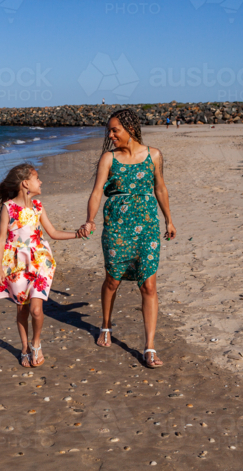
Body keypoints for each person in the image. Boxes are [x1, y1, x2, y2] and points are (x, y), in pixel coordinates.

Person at [78, 109, 177, 369]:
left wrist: (169, 219)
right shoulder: (109, 158)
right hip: (117, 226)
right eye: (109, 131)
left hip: (147, 226)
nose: (110, 136)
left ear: (130, 129)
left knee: (149, 285)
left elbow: (160, 188)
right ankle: (106, 325)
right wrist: (90, 219)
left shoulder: (154, 155)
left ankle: (149, 347)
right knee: (113, 280)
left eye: (115, 130)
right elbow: (97, 192)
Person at [0, 163, 82, 368]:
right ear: (25, 184)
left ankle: (36, 343)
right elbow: (1, 238)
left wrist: (77, 234)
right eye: (37, 178)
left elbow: (53, 233)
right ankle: (24, 348)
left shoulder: (38, 206)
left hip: (39, 262)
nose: (41, 182)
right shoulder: (8, 207)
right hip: (16, 264)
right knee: (22, 308)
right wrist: (0, 269)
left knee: (36, 310)